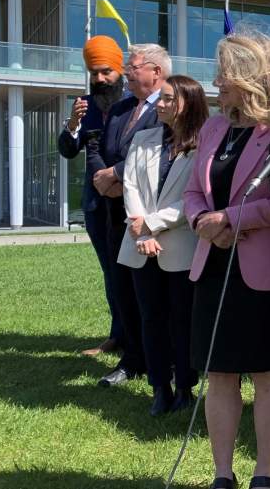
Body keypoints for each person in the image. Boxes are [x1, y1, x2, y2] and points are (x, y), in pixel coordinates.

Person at [184, 31, 270, 489]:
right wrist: (201, 223)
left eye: (224, 74)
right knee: (220, 373)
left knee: (269, 372)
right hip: (213, 267)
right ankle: (222, 475)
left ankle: (264, 474)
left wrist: (231, 218)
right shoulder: (213, 127)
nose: (216, 82)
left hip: (261, 273)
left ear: (250, 76)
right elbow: (193, 190)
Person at [118, 74, 209, 416]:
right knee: (150, 318)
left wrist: (153, 225)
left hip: (181, 245)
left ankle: (185, 385)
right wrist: (141, 231)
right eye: (160, 98)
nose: (161, 104)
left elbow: (197, 197)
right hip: (139, 244)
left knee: (181, 319)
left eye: (169, 98)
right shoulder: (142, 138)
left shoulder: (204, 144)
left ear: (188, 103)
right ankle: (160, 386)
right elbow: (130, 186)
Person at [94, 43, 171, 387]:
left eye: (134, 66)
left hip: (150, 219)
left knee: (151, 299)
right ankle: (133, 359)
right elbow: (100, 148)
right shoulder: (122, 108)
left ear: (156, 71)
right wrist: (103, 177)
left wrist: (115, 175)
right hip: (115, 214)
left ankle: (162, 361)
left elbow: (166, 150)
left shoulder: (170, 108)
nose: (127, 71)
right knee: (122, 289)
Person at [58, 35, 128, 357]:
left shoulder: (135, 104)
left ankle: (139, 338)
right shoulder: (84, 107)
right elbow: (68, 150)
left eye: (105, 72)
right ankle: (118, 335)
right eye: (94, 73)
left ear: (119, 70)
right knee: (110, 272)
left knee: (133, 274)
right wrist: (72, 124)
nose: (100, 79)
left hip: (132, 205)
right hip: (97, 206)